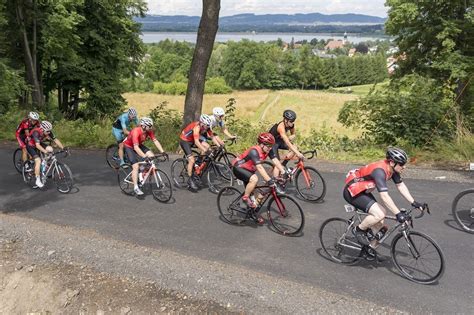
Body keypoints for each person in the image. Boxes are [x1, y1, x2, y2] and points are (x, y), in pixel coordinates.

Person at [343, 147, 427, 250]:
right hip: (352, 192)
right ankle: (359, 230)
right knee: (380, 214)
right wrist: (398, 213)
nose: (404, 167)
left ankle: (369, 249)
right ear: (392, 162)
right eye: (401, 164)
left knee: (380, 225)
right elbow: (384, 196)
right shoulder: (379, 171)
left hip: (363, 191)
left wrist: (414, 202)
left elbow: (400, 186)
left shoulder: (393, 169)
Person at [232, 132, 284, 224]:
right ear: (261, 144)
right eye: (268, 146)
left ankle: (252, 213)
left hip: (249, 170)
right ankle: (245, 197)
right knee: (254, 179)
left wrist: (284, 172)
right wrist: (269, 180)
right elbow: (260, 168)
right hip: (239, 168)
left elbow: (275, 160)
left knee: (260, 195)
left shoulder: (268, 149)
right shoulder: (254, 151)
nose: (270, 148)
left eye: (271, 146)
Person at [122, 117, 165, 196]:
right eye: (149, 126)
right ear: (143, 126)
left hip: (139, 145)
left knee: (151, 156)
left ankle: (142, 171)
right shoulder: (136, 131)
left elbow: (155, 141)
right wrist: (144, 156)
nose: (150, 128)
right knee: (135, 166)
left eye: (151, 126)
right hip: (129, 147)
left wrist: (162, 151)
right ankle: (136, 187)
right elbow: (135, 148)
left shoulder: (148, 131)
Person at [179, 114, 221, 191]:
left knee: (208, 146)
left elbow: (212, 137)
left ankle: (198, 164)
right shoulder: (197, 127)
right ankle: (190, 180)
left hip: (192, 139)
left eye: (208, 126)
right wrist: (205, 151)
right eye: (206, 125)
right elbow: (197, 142)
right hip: (185, 140)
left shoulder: (206, 126)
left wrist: (219, 145)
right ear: (202, 123)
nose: (207, 127)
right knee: (191, 160)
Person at [26, 121, 65, 188]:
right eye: (47, 131)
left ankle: (44, 164)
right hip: (31, 146)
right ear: (42, 129)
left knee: (50, 149)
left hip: (38, 143)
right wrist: (45, 152)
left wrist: (63, 148)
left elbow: (55, 140)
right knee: (38, 160)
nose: (49, 132)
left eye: (50, 131)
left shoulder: (47, 131)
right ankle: (37, 181)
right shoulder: (36, 132)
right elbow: (37, 146)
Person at [268, 109, 305, 178]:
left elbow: (293, 134)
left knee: (295, 147)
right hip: (271, 143)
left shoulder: (291, 125)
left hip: (279, 141)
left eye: (293, 121)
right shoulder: (280, 127)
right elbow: (287, 142)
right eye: (291, 121)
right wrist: (298, 153)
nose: (292, 123)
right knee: (277, 164)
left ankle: (283, 164)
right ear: (285, 120)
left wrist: (291, 136)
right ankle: (276, 183)